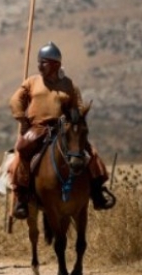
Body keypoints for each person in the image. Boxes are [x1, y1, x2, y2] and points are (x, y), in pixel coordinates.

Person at [9, 42, 114, 219]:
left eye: (43, 62)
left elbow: (78, 107)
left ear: (55, 64)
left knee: (90, 153)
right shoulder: (32, 82)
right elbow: (15, 100)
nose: (39, 66)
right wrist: (22, 118)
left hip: (63, 129)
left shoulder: (68, 84)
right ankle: (22, 196)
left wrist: (74, 120)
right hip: (37, 128)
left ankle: (97, 192)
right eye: (39, 62)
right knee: (22, 149)